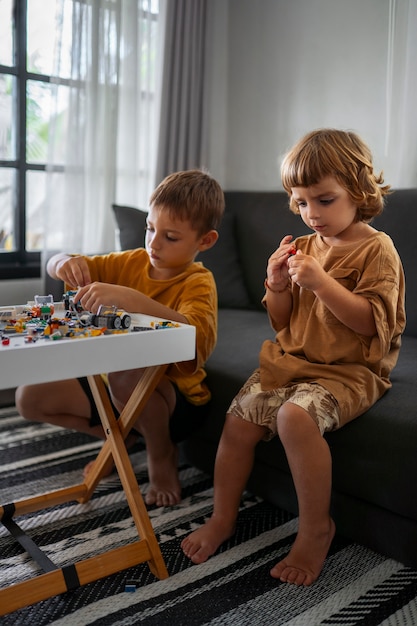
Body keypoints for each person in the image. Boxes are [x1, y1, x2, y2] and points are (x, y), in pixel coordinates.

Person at [181, 129, 406, 586]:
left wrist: (323, 283)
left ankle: (316, 528)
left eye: (324, 200)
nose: (312, 214)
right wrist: (277, 285)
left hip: (350, 371)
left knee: (294, 418)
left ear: (359, 191)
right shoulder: (302, 247)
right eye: (301, 202)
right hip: (293, 359)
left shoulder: (376, 249)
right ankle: (224, 516)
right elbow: (282, 323)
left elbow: (371, 324)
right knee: (239, 420)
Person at [15, 169, 225, 507]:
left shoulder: (198, 282)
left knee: (125, 373)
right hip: (112, 388)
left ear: (205, 241)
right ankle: (119, 440)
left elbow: (193, 350)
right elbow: (57, 263)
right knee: (29, 398)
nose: (154, 243)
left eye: (170, 237)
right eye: (150, 229)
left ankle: (161, 456)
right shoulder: (130, 261)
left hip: (178, 401)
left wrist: (134, 300)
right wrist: (63, 263)